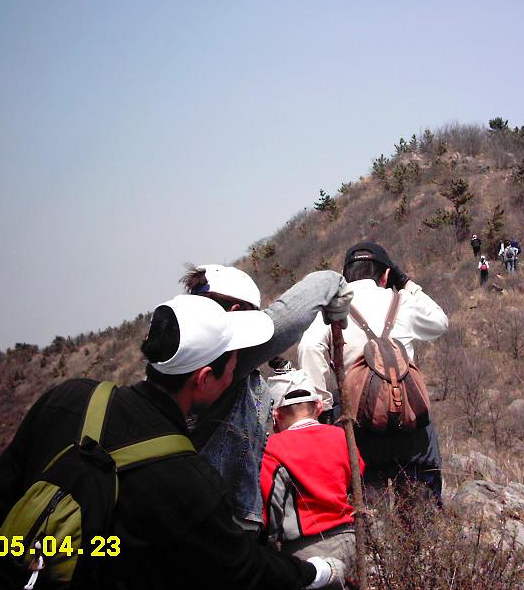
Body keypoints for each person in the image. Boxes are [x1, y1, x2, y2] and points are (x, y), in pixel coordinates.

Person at [0, 295, 346, 589]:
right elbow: (242, 569)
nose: (238, 368)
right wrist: (317, 572)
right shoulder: (186, 479)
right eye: (234, 362)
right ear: (204, 379)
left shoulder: (69, 398)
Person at [179, 264, 352, 534]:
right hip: (222, 524)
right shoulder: (224, 354)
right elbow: (286, 319)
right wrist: (332, 280)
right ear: (236, 312)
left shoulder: (177, 357)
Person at [298, 242, 448, 503]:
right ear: (386, 275)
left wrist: (324, 406)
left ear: (345, 276)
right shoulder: (403, 301)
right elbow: (440, 322)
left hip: (358, 424)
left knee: (367, 503)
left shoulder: (333, 309)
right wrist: (406, 283)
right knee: (420, 500)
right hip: (408, 422)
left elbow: (309, 347)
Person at [261, 370, 364, 587]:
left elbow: (271, 507)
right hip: (352, 542)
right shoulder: (342, 436)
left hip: (306, 553)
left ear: (276, 415)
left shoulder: (273, 448)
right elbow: (358, 480)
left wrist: (268, 550)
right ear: (318, 407)